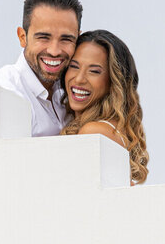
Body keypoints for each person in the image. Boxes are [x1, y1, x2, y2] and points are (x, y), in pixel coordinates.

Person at [0, 0, 82, 137]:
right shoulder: (8, 88)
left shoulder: (73, 85)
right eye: (43, 37)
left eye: (66, 39)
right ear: (22, 37)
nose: (54, 51)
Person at [61, 28, 148, 185]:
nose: (79, 79)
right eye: (74, 66)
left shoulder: (94, 131)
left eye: (94, 71)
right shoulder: (107, 128)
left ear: (112, 82)